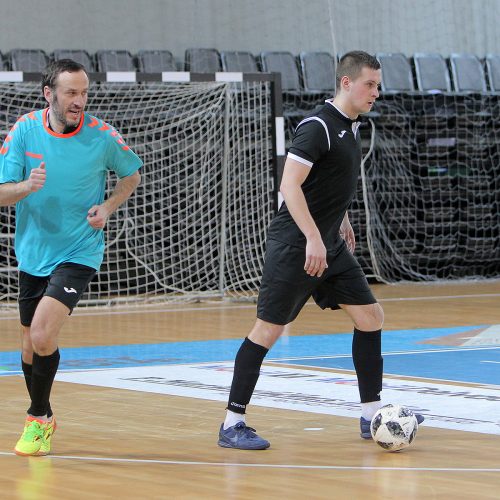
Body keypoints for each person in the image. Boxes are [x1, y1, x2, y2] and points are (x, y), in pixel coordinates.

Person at [217, 51, 423, 450]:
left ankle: (371, 415)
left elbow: (328, 184)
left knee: (370, 317)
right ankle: (232, 422)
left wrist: (340, 220)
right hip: (296, 245)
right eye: (370, 84)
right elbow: (289, 187)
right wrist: (313, 237)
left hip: (327, 241)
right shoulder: (318, 127)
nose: (376, 92)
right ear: (346, 83)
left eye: (378, 85)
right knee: (267, 331)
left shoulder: (353, 125)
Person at [0, 59, 142, 456]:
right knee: (29, 346)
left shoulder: (102, 136)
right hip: (33, 251)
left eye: (84, 92)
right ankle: (44, 415)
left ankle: (36, 419)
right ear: (49, 94)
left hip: (80, 249)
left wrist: (109, 206)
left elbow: (132, 174)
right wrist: (27, 185)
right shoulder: (25, 130)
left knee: (43, 334)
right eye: (71, 93)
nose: (80, 100)